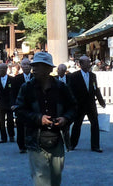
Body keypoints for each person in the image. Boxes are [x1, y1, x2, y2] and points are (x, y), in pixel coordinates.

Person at [15, 52, 76, 186]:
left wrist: (65, 118)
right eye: (33, 65)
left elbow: (73, 107)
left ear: (49, 69)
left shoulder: (61, 87)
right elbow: (19, 111)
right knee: (41, 179)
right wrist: (38, 118)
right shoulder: (27, 88)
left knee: (56, 178)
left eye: (39, 66)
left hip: (57, 139)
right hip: (35, 140)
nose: (34, 69)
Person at [67, 55, 106, 152]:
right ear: (81, 64)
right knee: (77, 124)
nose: (89, 64)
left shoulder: (93, 76)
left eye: (89, 62)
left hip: (91, 104)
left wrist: (101, 101)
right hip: (79, 104)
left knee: (95, 124)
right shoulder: (74, 76)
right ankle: (72, 144)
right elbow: (70, 91)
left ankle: (95, 146)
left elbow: (96, 89)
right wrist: (73, 103)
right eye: (87, 62)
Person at [11, 57, 33, 153]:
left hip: (32, 105)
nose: (26, 66)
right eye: (24, 64)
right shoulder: (17, 79)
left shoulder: (35, 77)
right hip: (20, 105)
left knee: (32, 126)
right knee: (20, 126)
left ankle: (31, 144)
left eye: (28, 64)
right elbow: (12, 93)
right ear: (21, 66)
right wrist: (13, 104)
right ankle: (21, 146)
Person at [0, 63, 15, 143]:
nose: (0, 70)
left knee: (10, 120)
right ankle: (3, 137)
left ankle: (11, 136)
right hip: (0, 103)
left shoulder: (12, 79)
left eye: (2, 69)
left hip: (10, 103)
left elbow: (15, 91)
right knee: (1, 121)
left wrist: (14, 103)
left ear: (6, 69)